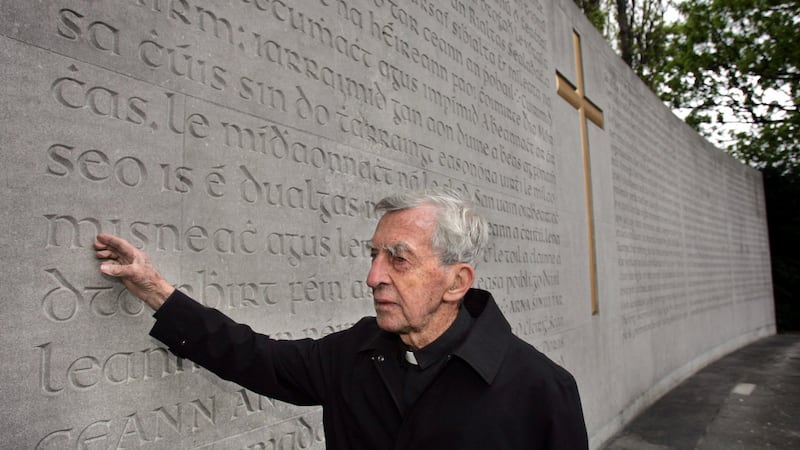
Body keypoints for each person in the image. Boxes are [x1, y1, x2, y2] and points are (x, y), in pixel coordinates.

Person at [94, 189, 588, 449]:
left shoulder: (542, 390)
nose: (373, 277)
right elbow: (254, 356)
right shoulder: (356, 352)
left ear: (456, 282)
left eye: (398, 259)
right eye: (374, 256)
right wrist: (155, 289)